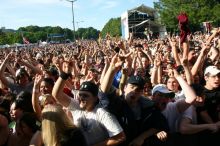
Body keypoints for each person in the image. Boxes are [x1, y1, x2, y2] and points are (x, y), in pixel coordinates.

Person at [100, 54, 169, 146]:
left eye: (138, 90)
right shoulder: (117, 103)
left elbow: (158, 125)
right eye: (132, 87)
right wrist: (112, 69)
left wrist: (142, 137)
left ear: (141, 93)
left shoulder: (149, 107)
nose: (134, 91)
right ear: (125, 88)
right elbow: (104, 91)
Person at [52, 61, 126, 146]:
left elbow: (120, 137)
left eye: (85, 96)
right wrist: (64, 74)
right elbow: (56, 94)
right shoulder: (76, 106)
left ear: (95, 98)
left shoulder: (102, 113)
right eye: (80, 95)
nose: (81, 98)